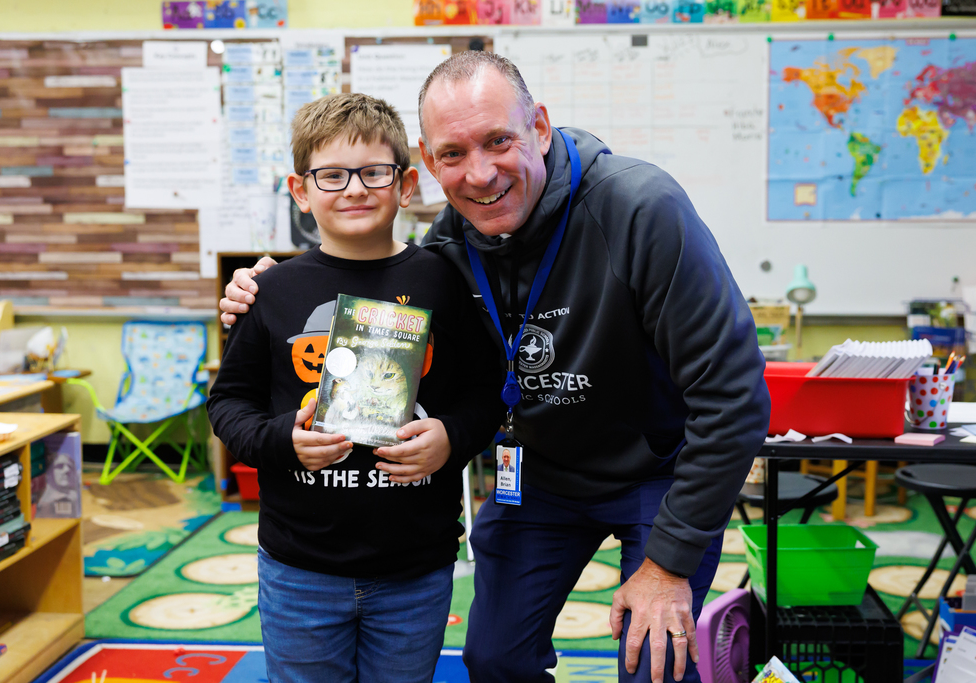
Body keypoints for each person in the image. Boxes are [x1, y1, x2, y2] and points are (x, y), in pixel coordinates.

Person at [219, 52, 771, 683]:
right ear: (428, 164)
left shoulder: (641, 207)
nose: (480, 174)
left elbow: (735, 398)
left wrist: (668, 565)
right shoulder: (449, 247)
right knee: (494, 659)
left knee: (655, 663)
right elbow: (366, 282)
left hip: (655, 472)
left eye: (498, 141)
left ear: (538, 126)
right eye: (453, 154)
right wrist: (264, 287)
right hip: (537, 475)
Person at [207, 92, 502, 683]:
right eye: (332, 175)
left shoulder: (446, 281)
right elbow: (227, 403)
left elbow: (488, 392)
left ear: (407, 184)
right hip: (300, 568)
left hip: (415, 566)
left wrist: (451, 438)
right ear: (301, 191)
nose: (354, 189)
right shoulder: (271, 291)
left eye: (374, 172)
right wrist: (279, 440)